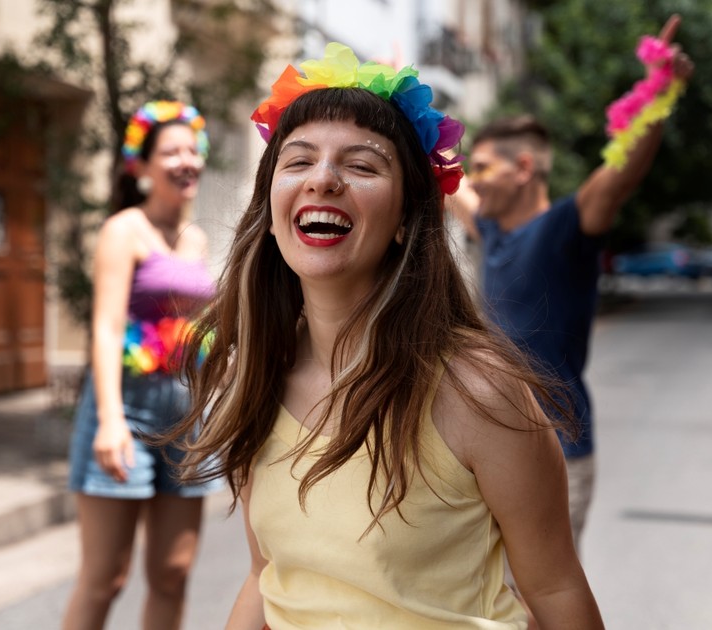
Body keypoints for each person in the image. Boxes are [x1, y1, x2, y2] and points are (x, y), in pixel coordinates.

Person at [170, 43, 604, 629]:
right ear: (271, 207)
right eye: (297, 161)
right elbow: (267, 576)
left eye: (362, 165)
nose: (322, 179)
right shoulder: (257, 374)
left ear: (405, 219)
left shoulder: (479, 391)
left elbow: (555, 593)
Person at [448, 15, 695, 555]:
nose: (474, 177)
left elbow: (622, 172)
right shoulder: (489, 230)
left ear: (525, 168)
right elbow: (448, 179)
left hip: (560, 449)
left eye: (484, 167)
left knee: (543, 602)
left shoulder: (565, 227)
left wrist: (659, 92)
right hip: (488, 447)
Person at [63, 100, 222, 630]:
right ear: (142, 166)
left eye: (192, 150)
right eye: (171, 151)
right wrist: (109, 420)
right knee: (105, 576)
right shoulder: (124, 230)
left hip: (185, 414)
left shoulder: (196, 240)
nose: (186, 160)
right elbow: (107, 327)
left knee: (173, 573)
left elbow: (201, 331)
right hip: (126, 408)